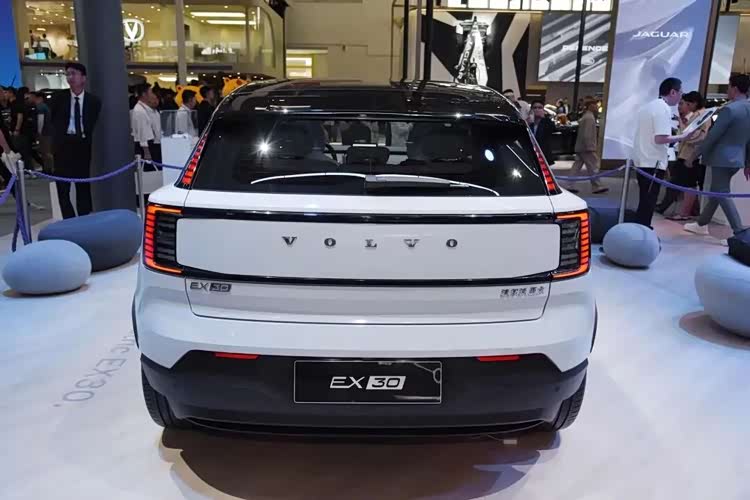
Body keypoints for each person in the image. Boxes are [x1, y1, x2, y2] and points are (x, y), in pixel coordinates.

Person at [684, 74, 750, 241]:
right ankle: (701, 224)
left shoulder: (730, 109)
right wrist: (748, 162)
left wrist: (694, 155)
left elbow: (712, 137)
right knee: (717, 192)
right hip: (738, 159)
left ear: (734, 88)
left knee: (721, 193)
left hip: (722, 159)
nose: (727, 90)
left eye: (729, 86)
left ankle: (739, 232)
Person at [632, 77, 694, 229]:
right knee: (648, 201)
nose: (681, 96)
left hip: (643, 160)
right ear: (673, 92)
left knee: (645, 200)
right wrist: (683, 137)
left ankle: (641, 229)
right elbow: (660, 138)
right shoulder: (663, 109)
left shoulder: (649, 107)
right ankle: (644, 230)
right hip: (653, 162)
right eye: (680, 92)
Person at [50, 61, 102, 219]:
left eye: (74, 74)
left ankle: (83, 219)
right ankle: (69, 220)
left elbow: (91, 123)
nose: (70, 77)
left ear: (83, 78)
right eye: (68, 74)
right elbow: (53, 120)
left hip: (82, 146)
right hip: (63, 146)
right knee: (63, 187)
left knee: (83, 186)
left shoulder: (94, 101)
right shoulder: (58, 98)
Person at [656, 91, 709, 219]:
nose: (685, 107)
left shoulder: (702, 115)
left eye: (687, 104)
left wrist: (683, 133)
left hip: (690, 155)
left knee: (686, 184)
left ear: (695, 103)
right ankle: (690, 211)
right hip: (686, 153)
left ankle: (684, 213)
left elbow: (694, 135)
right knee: (684, 182)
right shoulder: (698, 115)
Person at [566, 98, 608, 194]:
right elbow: (587, 134)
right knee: (593, 165)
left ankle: (569, 185)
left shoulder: (586, 116)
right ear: (591, 106)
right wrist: (590, 146)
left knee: (577, 166)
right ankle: (597, 186)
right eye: (595, 105)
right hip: (586, 147)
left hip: (581, 146)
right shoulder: (590, 118)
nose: (597, 107)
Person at [130, 82, 162, 164]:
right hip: (146, 146)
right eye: (151, 92)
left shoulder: (148, 108)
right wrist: (147, 152)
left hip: (154, 144)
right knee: (149, 170)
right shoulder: (139, 111)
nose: (153, 95)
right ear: (144, 94)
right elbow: (142, 133)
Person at [29, 91, 53, 173]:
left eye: (32, 97)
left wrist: (39, 131)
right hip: (47, 132)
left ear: (39, 98)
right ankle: (47, 169)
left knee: (46, 152)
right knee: (44, 152)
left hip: (44, 133)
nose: (31, 98)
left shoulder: (40, 107)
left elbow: (40, 120)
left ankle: (50, 169)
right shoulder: (45, 106)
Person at [529, 99, 556, 166]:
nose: (537, 109)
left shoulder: (547, 122)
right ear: (531, 109)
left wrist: (543, 117)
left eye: (540, 108)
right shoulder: (529, 122)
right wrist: (528, 121)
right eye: (535, 107)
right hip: (530, 154)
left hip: (543, 155)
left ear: (543, 110)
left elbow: (552, 129)